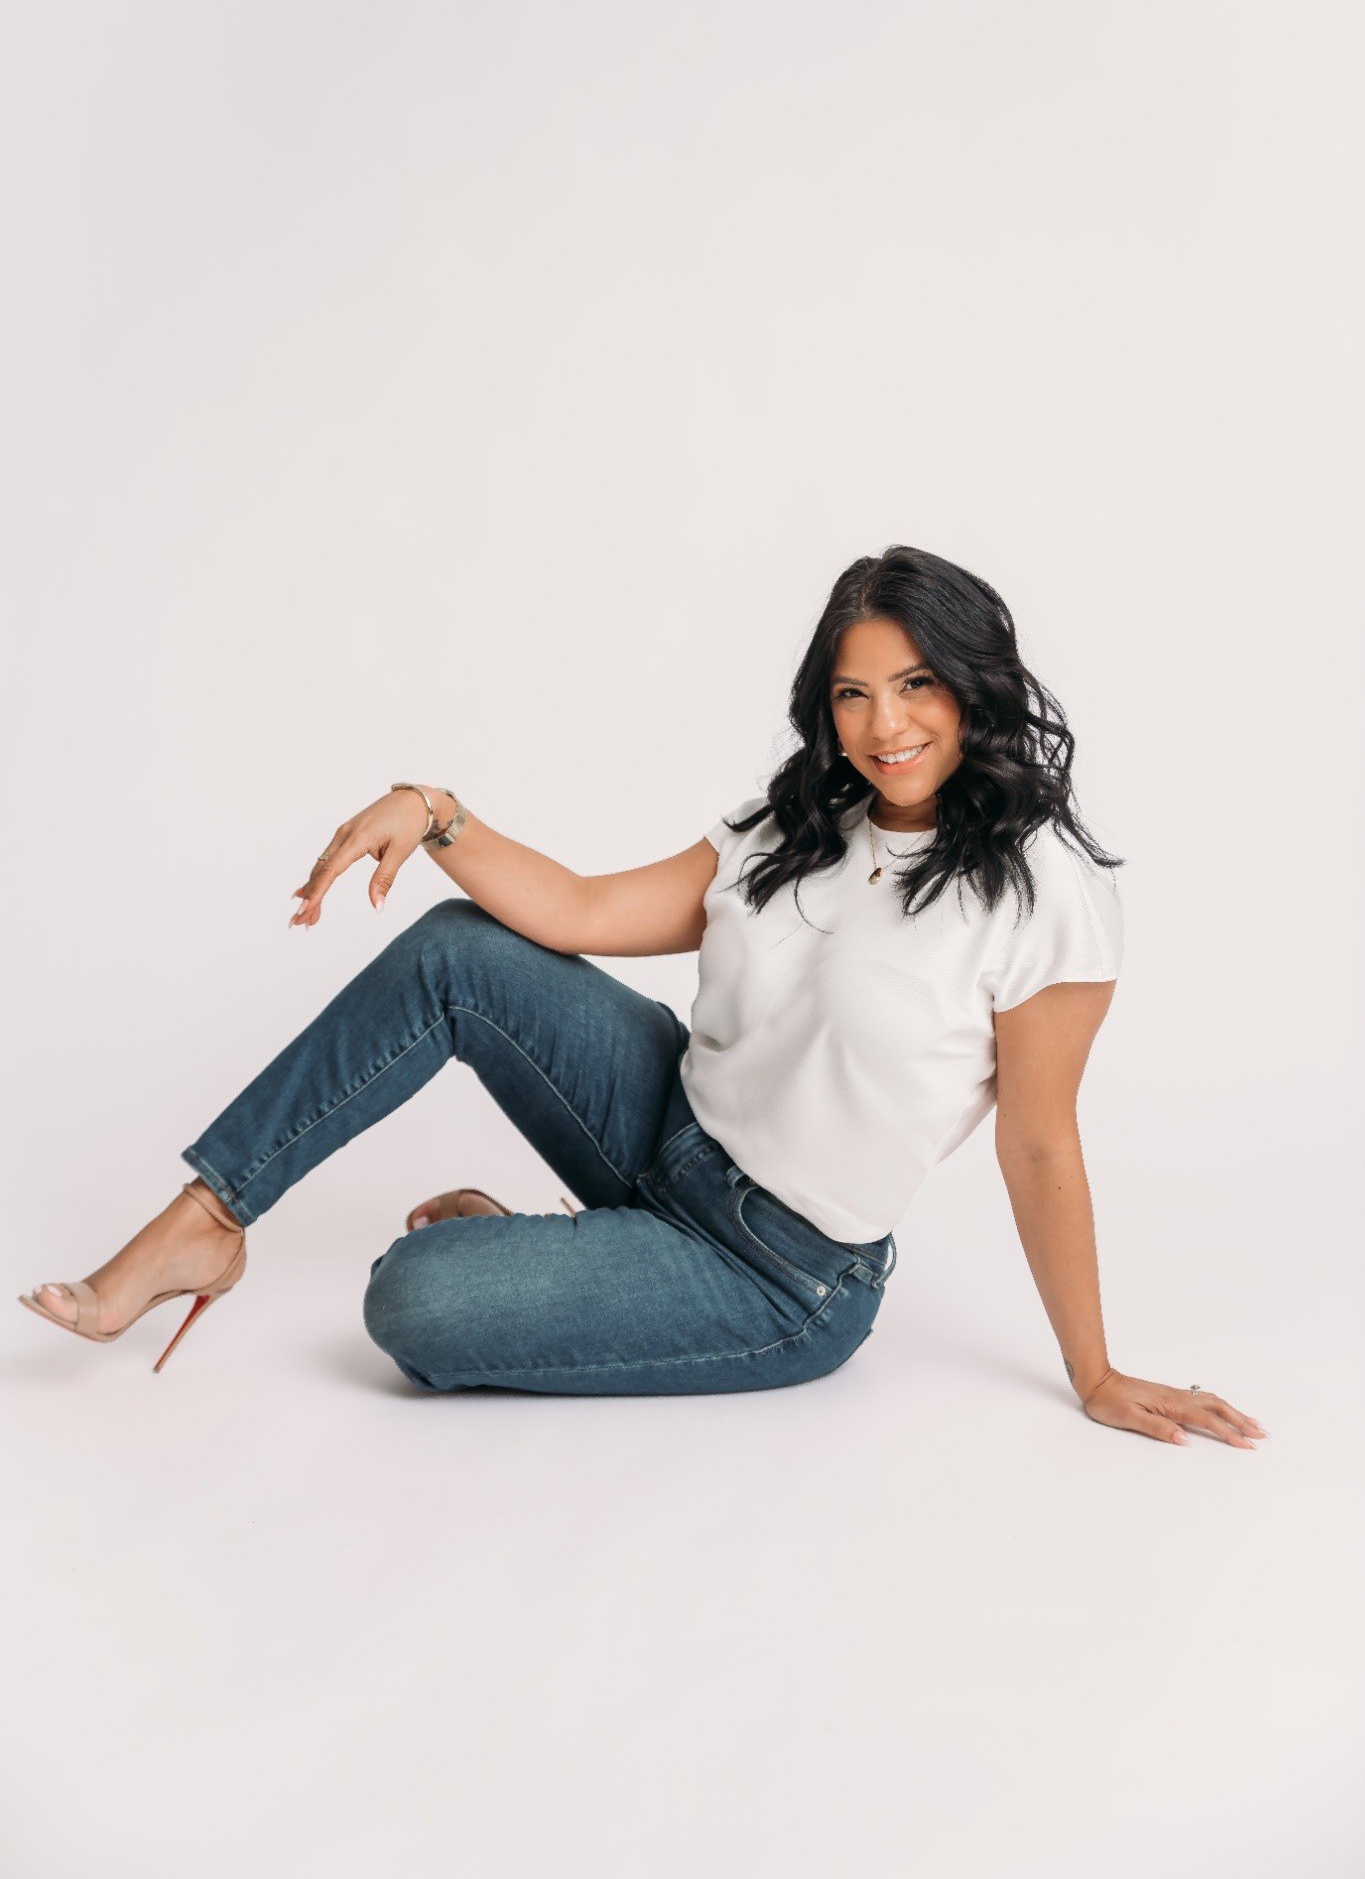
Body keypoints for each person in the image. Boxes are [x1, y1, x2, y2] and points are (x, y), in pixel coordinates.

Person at [19, 544, 1266, 1446]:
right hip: (665, 1119)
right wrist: (435, 809)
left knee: (410, 1303)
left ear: (974, 686)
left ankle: (552, 1258)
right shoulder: (808, 817)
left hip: (780, 1270)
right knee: (461, 945)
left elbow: (1041, 1141)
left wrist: (1093, 1371)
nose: (884, 724)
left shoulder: (1043, 891)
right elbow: (577, 910)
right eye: (853, 691)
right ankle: (208, 1216)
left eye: (917, 685)